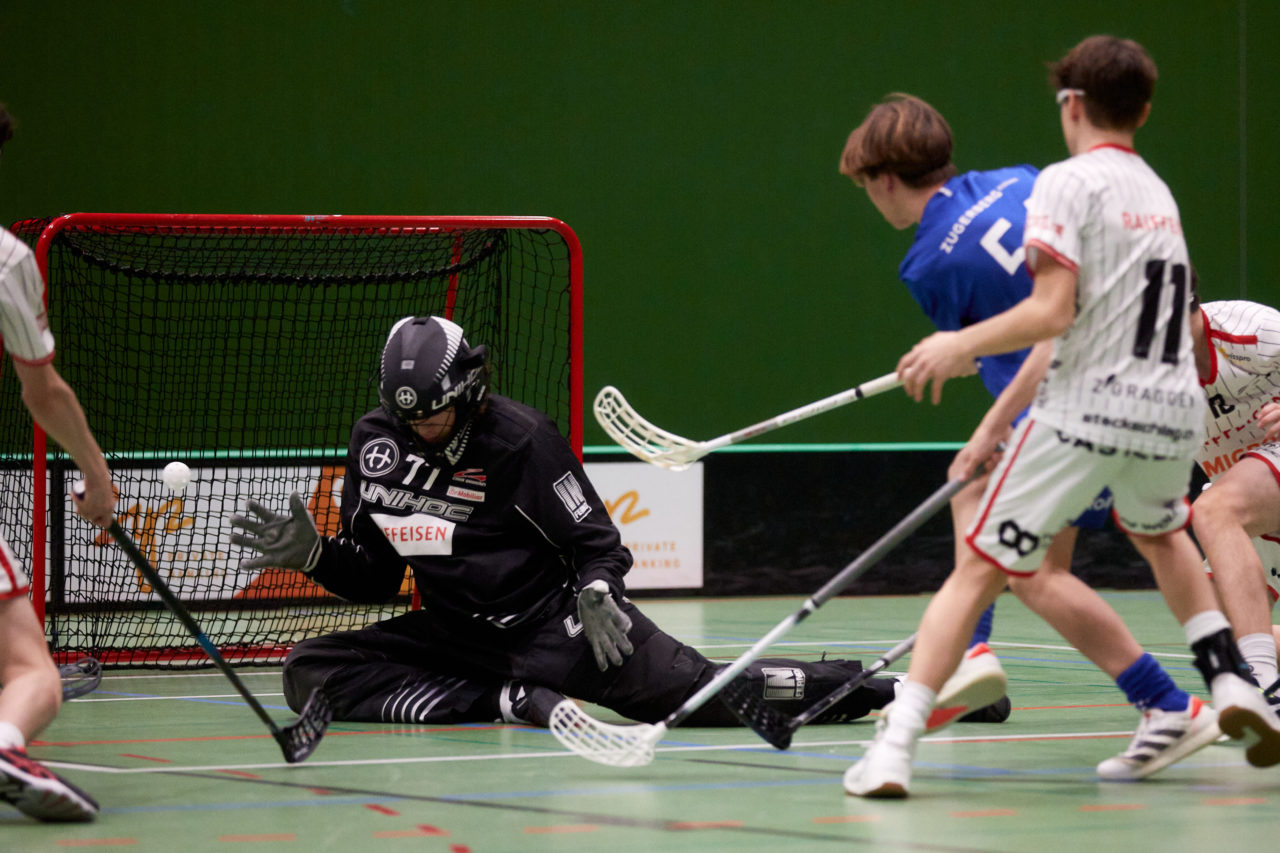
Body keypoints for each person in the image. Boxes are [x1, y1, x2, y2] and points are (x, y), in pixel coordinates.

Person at [844, 35, 1280, 799]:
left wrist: (958, 346)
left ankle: (897, 742)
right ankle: (1226, 679)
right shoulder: (1152, 191)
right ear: (1145, 110)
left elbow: (1055, 316)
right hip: (1168, 409)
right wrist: (989, 408)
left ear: (1071, 105)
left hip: (1084, 407)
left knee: (979, 565)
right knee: (1161, 536)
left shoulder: (1061, 183)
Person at [230, 315, 900, 733]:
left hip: (557, 625)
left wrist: (598, 589)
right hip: (455, 634)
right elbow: (375, 577)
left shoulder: (523, 441)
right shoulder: (375, 443)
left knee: (701, 697)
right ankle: (511, 700)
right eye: (408, 419)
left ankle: (878, 687)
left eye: (433, 415)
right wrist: (316, 555)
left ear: (469, 391)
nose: (420, 430)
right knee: (308, 671)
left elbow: (598, 545)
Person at [0, 103, 113, 821]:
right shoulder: (6, 260)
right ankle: (4, 742)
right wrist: (97, 477)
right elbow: (42, 391)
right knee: (29, 669)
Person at [1189, 296, 1280, 697]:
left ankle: (1265, 685)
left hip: (1259, 479)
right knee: (1218, 635)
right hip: (1249, 496)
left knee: (1213, 509)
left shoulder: (1254, 328)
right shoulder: (1139, 371)